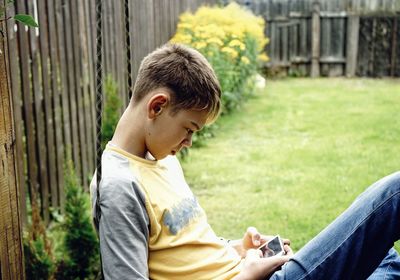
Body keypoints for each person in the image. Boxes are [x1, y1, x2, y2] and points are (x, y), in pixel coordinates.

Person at [90, 43, 400, 280]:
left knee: (382, 258)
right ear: (157, 106)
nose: (188, 142)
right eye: (189, 129)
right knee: (393, 195)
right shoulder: (119, 187)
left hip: (246, 270)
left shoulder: (162, 158)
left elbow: (185, 247)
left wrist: (239, 248)